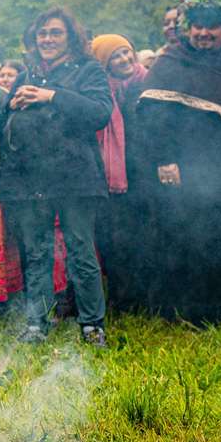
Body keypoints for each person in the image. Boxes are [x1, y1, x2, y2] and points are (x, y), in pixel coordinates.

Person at [131, 0, 221, 322]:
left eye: (213, 27)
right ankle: (189, 310)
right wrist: (164, 160)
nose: (204, 33)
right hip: (184, 162)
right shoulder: (171, 61)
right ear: (188, 29)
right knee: (190, 234)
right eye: (198, 27)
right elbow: (150, 117)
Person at [0, 8, 113, 345]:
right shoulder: (27, 73)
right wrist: (13, 104)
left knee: (80, 249)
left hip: (74, 176)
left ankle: (92, 325)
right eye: (42, 33)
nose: (47, 39)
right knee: (37, 252)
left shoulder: (88, 70)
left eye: (55, 33)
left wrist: (52, 96)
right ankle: (37, 323)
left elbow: (99, 113)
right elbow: (6, 122)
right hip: (31, 178)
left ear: (70, 37)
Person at [90, 33, 150, 309]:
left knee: (145, 235)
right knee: (116, 239)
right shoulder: (101, 93)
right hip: (112, 179)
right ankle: (122, 298)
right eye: (116, 56)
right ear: (104, 63)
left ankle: (148, 296)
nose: (125, 59)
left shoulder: (147, 83)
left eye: (127, 52)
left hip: (144, 173)